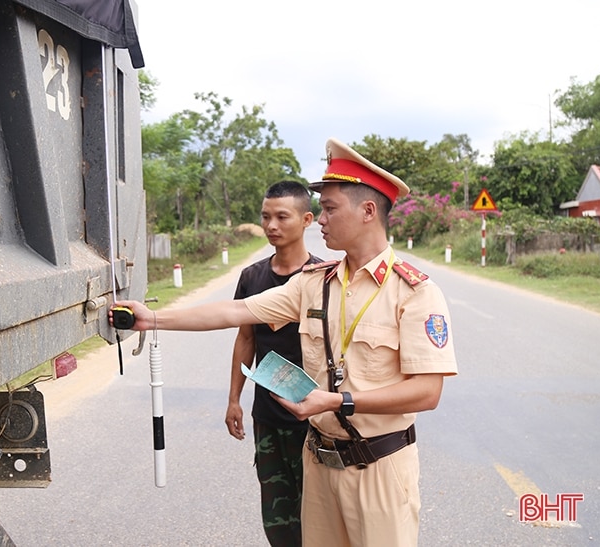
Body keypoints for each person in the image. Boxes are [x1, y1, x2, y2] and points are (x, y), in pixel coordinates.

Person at [112, 137, 458, 547]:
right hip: (319, 464)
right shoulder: (314, 284)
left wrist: (336, 402)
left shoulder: (414, 292)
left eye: (329, 209)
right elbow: (234, 313)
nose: (322, 220)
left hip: (378, 469)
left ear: (368, 211)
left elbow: (427, 391)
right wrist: (151, 318)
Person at [226, 180, 322, 547]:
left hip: (314, 418)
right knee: (277, 515)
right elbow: (246, 338)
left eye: (282, 216)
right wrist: (235, 399)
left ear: (307, 219)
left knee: (318, 512)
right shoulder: (252, 277)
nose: (271, 226)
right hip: (267, 414)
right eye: (266, 216)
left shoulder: (322, 278)